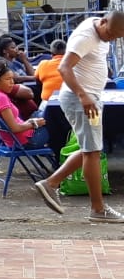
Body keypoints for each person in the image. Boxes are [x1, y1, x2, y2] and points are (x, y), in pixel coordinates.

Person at [33, 11, 124, 222]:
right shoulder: (86, 36)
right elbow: (64, 68)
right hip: (81, 99)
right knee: (92, 151)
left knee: (90, 149)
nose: (112, 38)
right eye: (110, 33)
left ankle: (51, 183)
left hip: (90, 96)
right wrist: (83, 96)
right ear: (103, 22)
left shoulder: (101, 28)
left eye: (117, 36)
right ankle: (98, 209)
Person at [0, 64, 48, 148]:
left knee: (42, 114)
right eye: (8, 79)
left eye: (12, 79)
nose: (12, 82)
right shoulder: (1, 98)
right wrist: (33, 124)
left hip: (11, 141)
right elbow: (14, 128)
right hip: (26, 141)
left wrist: (28, 122)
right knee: (55, 121)